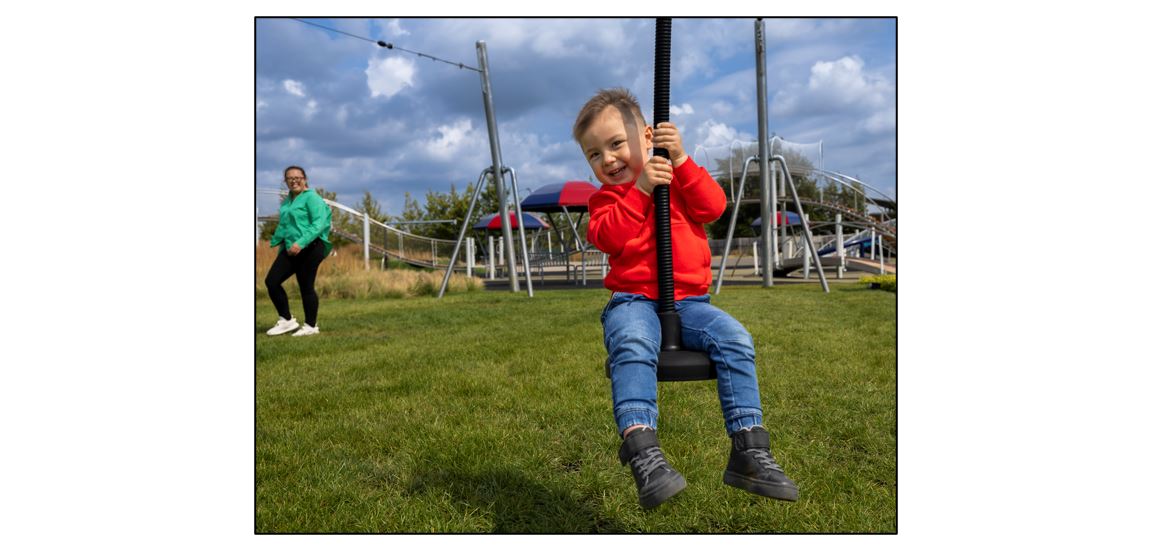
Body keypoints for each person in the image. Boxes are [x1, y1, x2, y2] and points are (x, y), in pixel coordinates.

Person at [574, 88, 798, 509]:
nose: (607, 159)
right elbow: (608, 237)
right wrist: (640, 190)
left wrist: (680, 160)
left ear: (647, 137)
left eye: (616, 144)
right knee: (633, 343)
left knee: (736, 340)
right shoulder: (606, 198)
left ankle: (749, 449)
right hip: (633, 300)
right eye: (594, 155)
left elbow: (713, 207)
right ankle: (644, 451)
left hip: (691, 303)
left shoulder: (678, 180)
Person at [264, 166, 332, 337]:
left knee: (306, 286)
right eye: (290, 178)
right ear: (285, 181)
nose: (294, 181)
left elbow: (319, 224)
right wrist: (277, 241)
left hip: (312, 247)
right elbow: (285, 225)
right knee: (272, 281)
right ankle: (287, 321)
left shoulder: (312, 198)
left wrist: (300, 243)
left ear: (305, 178)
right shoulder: (288, 200)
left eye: (297, 177)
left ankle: (310, 326)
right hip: (291, 248)